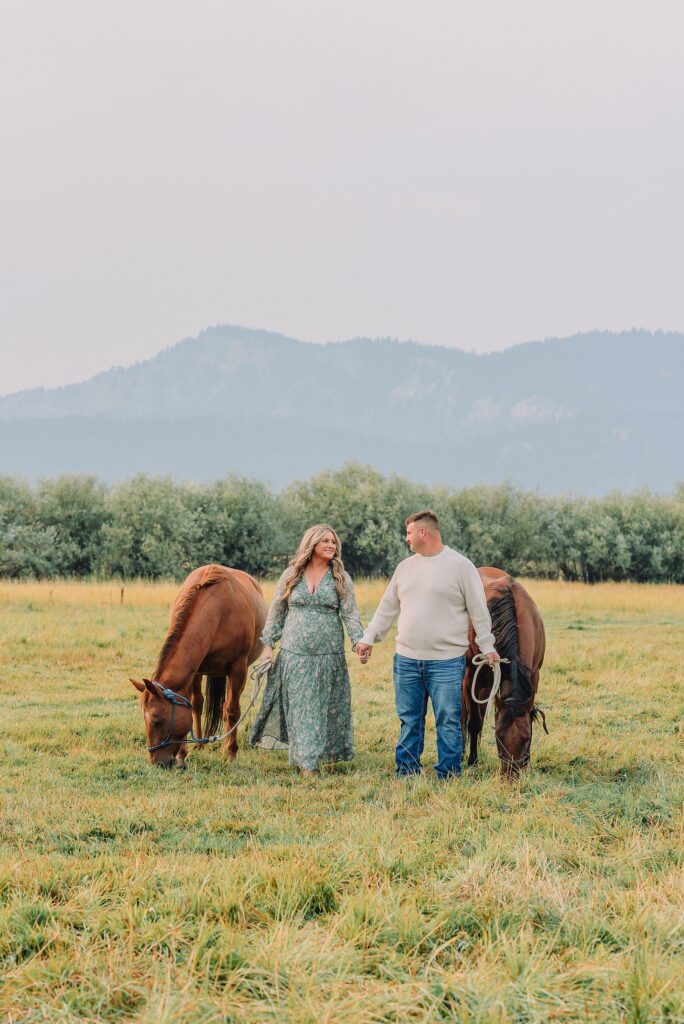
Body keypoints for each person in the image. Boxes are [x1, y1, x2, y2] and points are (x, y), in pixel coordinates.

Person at [355, 510, 499, 780]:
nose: (406, 538)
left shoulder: (460, 566)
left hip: (446, 661)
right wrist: (368, 637)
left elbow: (479, 611)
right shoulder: (405, 568)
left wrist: (487, 645)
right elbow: (387, 608)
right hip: (406, 660)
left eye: (409, 532)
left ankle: (448, 773)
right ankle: (407, 771)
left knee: (448, 720)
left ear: (423, 532)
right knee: (409, 720)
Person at [250, 524, 365, 776]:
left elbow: (351, 614)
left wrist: (359, 642)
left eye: (333, 542)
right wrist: (268, 647)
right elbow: (276, 613)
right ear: (311, 543)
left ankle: (319, 755)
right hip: (294, 655)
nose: (331, 545)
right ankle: (307, 765)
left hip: (328, 656)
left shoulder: (340, 578)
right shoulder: (291, 575)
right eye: (325, 541)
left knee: (323, 709)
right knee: (302, 709)